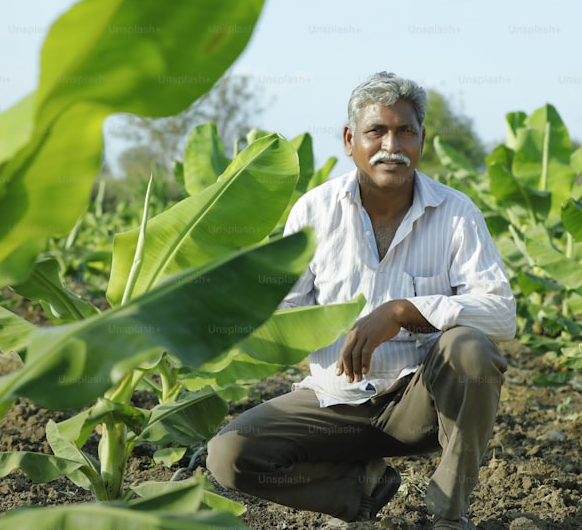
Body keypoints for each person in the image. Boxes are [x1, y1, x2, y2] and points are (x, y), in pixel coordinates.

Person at [207, 72, 517, 529]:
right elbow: (286, 313)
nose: (391, 145)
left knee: (470, 349)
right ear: (350, 139)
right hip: (332, 401)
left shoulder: (456, 214)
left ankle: (450, 512)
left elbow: (501, 314)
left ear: (422, 140)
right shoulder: (314, 211)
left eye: (405, 131)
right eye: (376, 131)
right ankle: (359, 493)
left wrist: (403, 312)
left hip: (419, 404)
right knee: (231, 454)